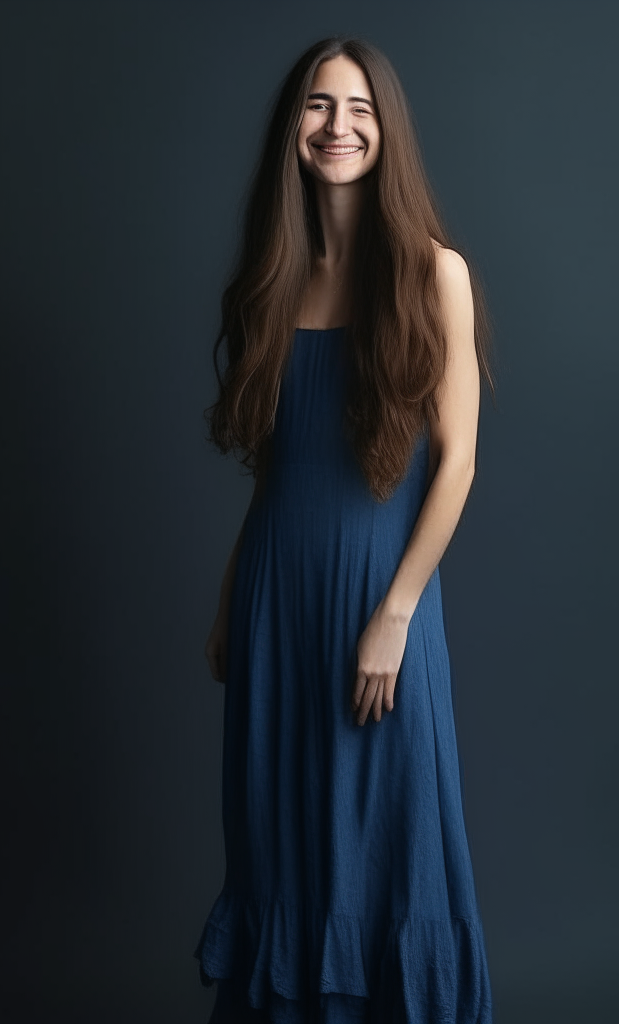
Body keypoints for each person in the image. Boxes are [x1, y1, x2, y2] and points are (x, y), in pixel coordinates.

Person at [194, 35, 495, 1024]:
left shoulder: (430, 272)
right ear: (294, 131)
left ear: (385, 130)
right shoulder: (271, 289)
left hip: (378, 606)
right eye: (320, 107)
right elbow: (274, 476)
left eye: (359, 108)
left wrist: (397, 613)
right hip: (278, 606)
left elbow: (455, 463)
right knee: (282, 845)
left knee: (393, 849)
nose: (338, 126)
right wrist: (232, 595)